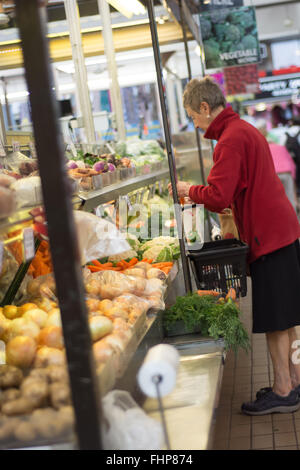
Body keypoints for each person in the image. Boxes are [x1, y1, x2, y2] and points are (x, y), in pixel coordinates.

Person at [169, 77, 300, 416]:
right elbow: (241, 186)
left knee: (275, 319)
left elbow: (217, 196)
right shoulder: (243, 129)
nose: (194, 123)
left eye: (193, 115)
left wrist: (186, 190)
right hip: (280, 228)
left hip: (267, 235)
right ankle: (295, 381)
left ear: (204, 107)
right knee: (288, 314)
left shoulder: (229, 140)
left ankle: (283, 390)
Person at [255, 119, 297, 211]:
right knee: (289, 196)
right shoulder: (279, 145)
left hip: (274, 173)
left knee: (276, 197)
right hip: (286, 172)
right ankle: (292, 216)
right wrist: (293, 176)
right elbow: (290, 161)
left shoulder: (261, 147)